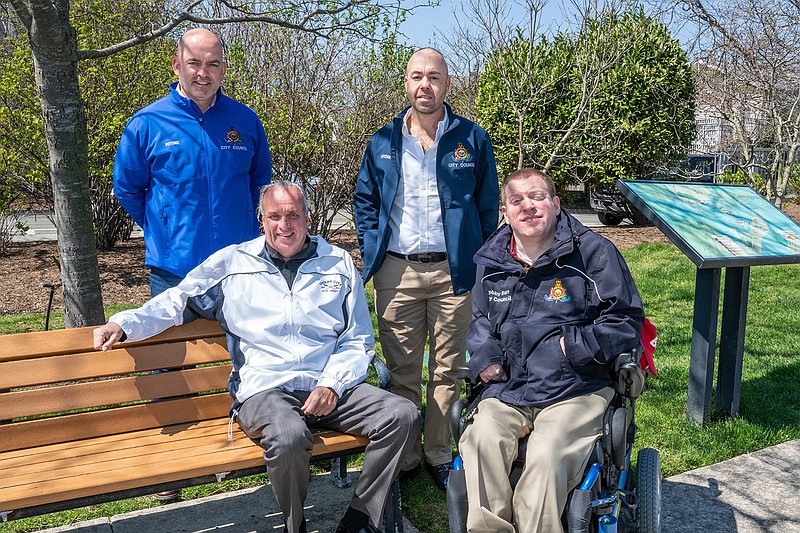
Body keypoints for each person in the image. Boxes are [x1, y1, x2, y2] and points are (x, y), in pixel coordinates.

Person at [93, 181, 419, 533]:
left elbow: (357, 339)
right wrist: (124, 323)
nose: (285, 225)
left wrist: (332, 384)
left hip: (328, 388)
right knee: (289, 436)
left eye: (293, 215)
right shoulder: (234, 264)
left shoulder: (336, 264)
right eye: (275, 216)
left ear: (308, 218)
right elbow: (178, 300)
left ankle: (360, 519)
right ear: (261, 219)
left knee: (402, 415)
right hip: (265, 391)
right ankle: (296, 527)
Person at [459, 169, 645, 533]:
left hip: (576, 386)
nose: (528, 207)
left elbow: (625, 319)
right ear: (506, 211)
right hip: (510, 387)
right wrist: (487, 357)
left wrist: (570, 347)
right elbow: (480, 319)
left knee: (545, 457)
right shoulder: (492, 261)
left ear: (556, 204)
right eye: (517, 201)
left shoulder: (593, 253)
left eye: (538, 197)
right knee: (481, 440)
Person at [353, 47, 499, 491]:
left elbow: (487, 205)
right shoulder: (382, 142)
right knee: (402, 369)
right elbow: (366, 202)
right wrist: (372, 244)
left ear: (447, 84)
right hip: (397, 272)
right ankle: (406, 456)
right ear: (405, 83)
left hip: (455, 272)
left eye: (434, 77)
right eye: (417, 76)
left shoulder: (472, 139)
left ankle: (438, 452)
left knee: (448, 368)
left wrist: (476, 253)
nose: (425, 85)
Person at [113, 27, 272, 297]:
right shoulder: (147, 123)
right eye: (194, 63)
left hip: (237, 265)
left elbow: (259, 184)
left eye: (212, 64)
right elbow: (127, 189)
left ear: (223, 69)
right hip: (174, 271)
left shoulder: (246, 120)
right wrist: (163, 227)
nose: (203, 73)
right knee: (175, 341)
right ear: (177, 66)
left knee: (238, 341)